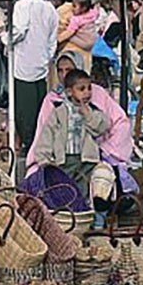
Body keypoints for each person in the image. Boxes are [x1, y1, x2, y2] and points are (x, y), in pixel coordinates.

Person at [31, 68, 118, 229]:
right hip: (65, 159)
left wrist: (88, 114)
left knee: (90, 189)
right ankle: (69, 223)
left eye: (89, 88)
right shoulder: (59, 112)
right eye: (82, 89)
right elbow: (46, 136)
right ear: (70, 92)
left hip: (86, 159)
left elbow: (102, 127)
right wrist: (44, 159)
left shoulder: (93, 111)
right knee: (68, 190)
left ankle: (93, 221)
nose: (87, 93)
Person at [11, 0, 59, 150]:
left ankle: (28, 147)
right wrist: (45, 59)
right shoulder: (50, 8)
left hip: (23, 67)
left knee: (25, 114)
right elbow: (53, 42)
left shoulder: (22, 5)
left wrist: (4, 38)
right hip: (41, 67)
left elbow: (19, 30)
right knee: (40, 113)